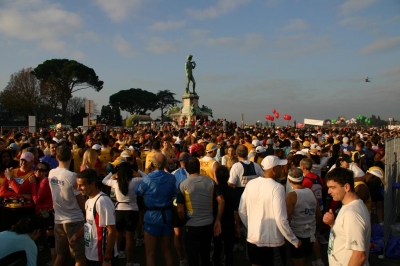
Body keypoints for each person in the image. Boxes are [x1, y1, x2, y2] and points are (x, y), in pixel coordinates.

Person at [238, 155, 301, 266]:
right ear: (273, 169)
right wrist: (294, 240)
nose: (282, 169)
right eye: (280, 167)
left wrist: (252, 227)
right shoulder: (277, 187)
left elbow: (241, 210)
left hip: (253, 239)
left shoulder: (250, 184)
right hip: (273, 242)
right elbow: (281, 219)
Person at [176, 157, 224, 266]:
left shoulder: (183, 184)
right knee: (205, 255)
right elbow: (221, 200)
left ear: (187, 169)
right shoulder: (210, 181)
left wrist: (184, 220)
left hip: (192, 225)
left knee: (192, 258)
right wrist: (218, 220)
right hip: (208, 224)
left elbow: (180, 209)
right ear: (199, 167)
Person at [323, 167, 371, 266]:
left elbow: (359, 256)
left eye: (333, 187)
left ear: (346, 187)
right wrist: (333, 224)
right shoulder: (351, 206)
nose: (329, 192)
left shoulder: (351, 214)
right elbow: (345, 235)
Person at [135, 153, 176, 266]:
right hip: (167, 216)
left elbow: (137, 191)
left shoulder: (148, 178)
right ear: (165, 164)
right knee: (167, 250)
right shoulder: (172, 178)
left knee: (150, 253)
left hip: (151, 217)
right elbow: (176, 194)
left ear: (153, 164)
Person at [49, 145, 86, 266]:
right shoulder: (72, 176)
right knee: (79, 257)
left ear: (57, 157)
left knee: (61, 255)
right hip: (74, 219)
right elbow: (80, 200)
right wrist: (89, 212)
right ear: (71, 156)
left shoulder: (51, 173)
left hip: (59, 220)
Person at [102, 162, 143, 266]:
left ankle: (116, 256)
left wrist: (112, 171)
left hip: (119, 210)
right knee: (129, 238)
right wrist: (137, 170)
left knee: (118, 235)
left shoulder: (115, 182)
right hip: (132, 210)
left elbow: (104, 180)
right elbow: (148, 178)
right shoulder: (135, 181)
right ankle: (129, 262)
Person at [76, 169, 118, 266]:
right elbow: (90, 224)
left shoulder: (102, 201)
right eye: (77, 185)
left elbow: (111, 231)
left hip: (102, 258)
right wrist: (75, 235)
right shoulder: (88, 201)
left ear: (92, 184)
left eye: (81, 185)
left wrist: (107, 257)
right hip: (91, 255)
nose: (78, 188)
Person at [286, 168, 322, 266]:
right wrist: (315, 229)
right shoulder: (311, 192)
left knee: (298, 262)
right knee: (307, 260)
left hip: (297, 235)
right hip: (310, 234)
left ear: (289, 181)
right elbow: (319, 214)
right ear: (303, 179)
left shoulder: (291, 196)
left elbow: (286, 219)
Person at [29, 161, 56, 265]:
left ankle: (54, 262)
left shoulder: (44, 181)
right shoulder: (40, 181)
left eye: (41, 170)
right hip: (44, 213)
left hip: (47, 213)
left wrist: (32, 184)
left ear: (46, 172)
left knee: (50, 240)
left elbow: (37, 199)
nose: (38, 171)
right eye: (36, 169)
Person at [0, 152, 36, 231]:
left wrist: (10, 179)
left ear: (32, 162)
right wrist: (22, 195)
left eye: (26, 161)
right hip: (8, 209)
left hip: (24, 210)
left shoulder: (32, 175)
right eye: (22, 160)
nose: (23, 163)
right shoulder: (11, 171)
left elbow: (19, 190)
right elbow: (2, 192)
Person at [212, 166, 240, 266]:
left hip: (216, 222)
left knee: (217, 247)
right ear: (228, 177)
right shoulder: (234, 192)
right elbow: (235, 211)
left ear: (217, 177)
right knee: (229, 249)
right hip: (230, 223)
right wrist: (237, 226)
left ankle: (216, 263)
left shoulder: (213, 190)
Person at [171, 152, 191, 266]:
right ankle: (190, 256)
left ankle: (182, 259)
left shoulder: (173, 174)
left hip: (176, 205)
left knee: (177, 234)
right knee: (189, 234)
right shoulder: (193, 174)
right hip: (190, 206)